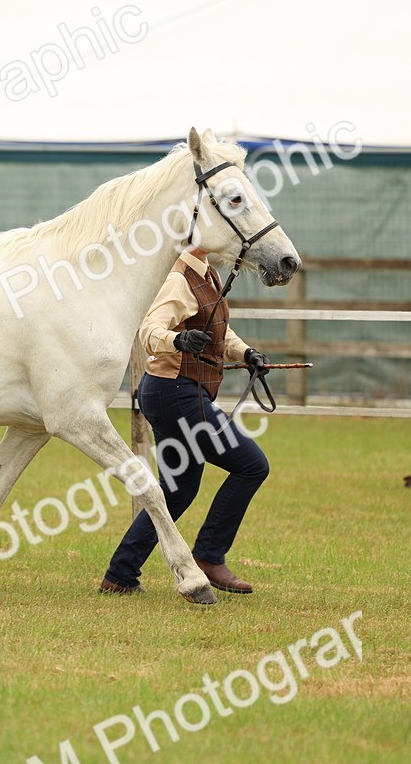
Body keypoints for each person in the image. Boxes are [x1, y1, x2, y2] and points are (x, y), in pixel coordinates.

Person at [100, 246, 271, 596]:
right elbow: (149, 331)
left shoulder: (207, 273)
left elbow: (219, 331)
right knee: (252, 465)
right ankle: (208, 556)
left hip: (174, 394)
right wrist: (177, 340)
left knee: (177, 492)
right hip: (175, 393)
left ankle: (120, 574)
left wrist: (245, 352)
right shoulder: (178, 277)